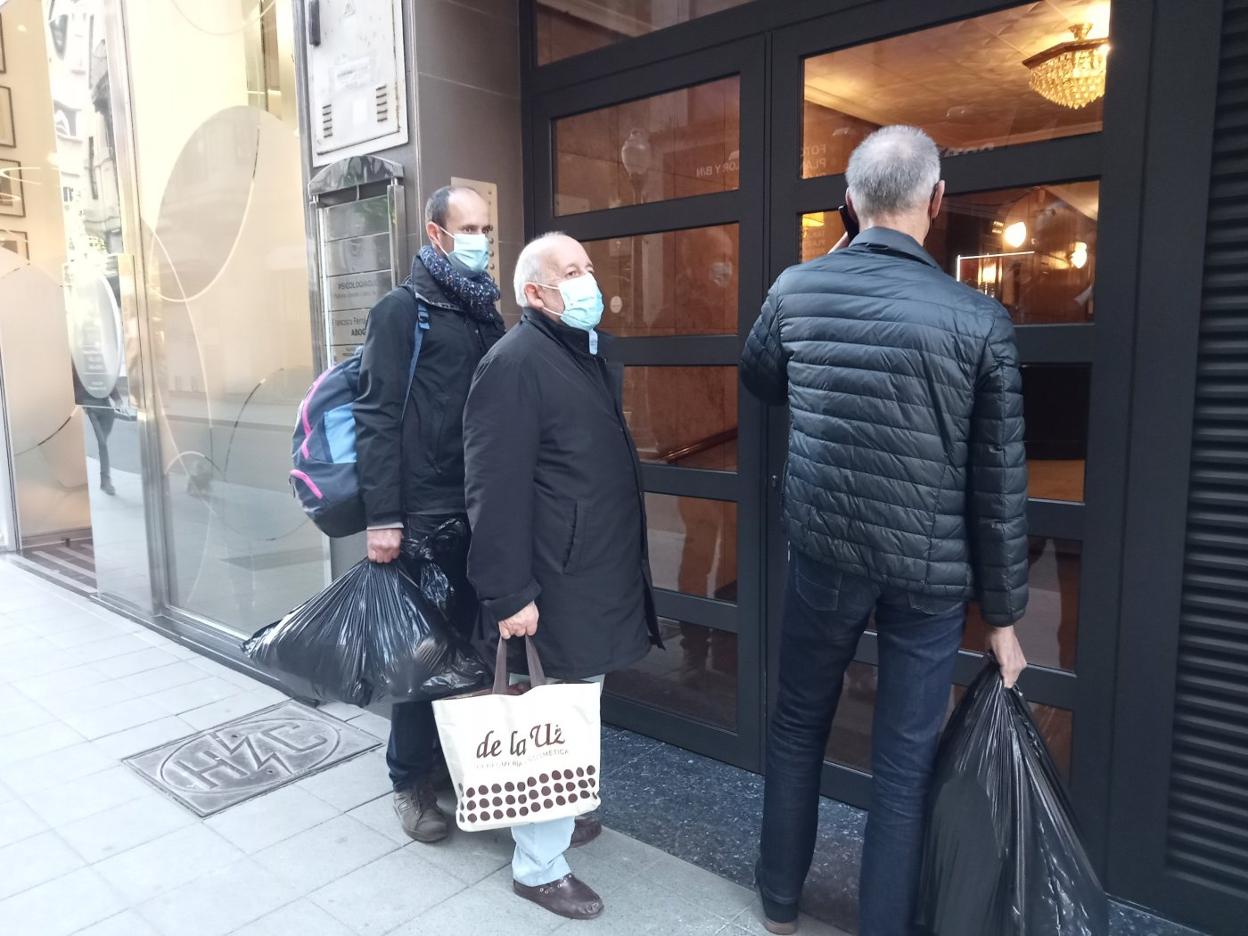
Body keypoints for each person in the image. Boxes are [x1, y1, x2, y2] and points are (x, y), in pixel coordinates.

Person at [741, 125, 1030, 936]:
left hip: (826, 556)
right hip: (929, 578)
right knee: (904, 767)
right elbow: (1000, 482)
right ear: (936, 203)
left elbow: (761, 376)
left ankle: (778, 902)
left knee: (798, 723)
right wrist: (1004, 618)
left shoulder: (796, 289)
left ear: (847, 205)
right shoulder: (980, 319)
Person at [463, 232, 662, 920]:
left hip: (591, 569)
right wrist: (508, 594)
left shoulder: (583, 353)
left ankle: (562, 808)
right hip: (554, 576)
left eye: (587, 268)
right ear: (535, 293)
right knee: (553, 708)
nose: (588, 282)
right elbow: (493, 486)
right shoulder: (514, 362)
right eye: (570, 272)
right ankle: (538, 864)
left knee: (576, 702)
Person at [354, 185, 506, 844]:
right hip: (423, 515)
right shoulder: (401, 311)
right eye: (467, 227)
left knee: (466, 649)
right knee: (421, 654)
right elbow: (378, 414)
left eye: (486, 227)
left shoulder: (484, 313)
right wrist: (383, 516)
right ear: (435, 232)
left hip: (478, 508)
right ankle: (409, 780)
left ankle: (445, 762)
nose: (480, 237)